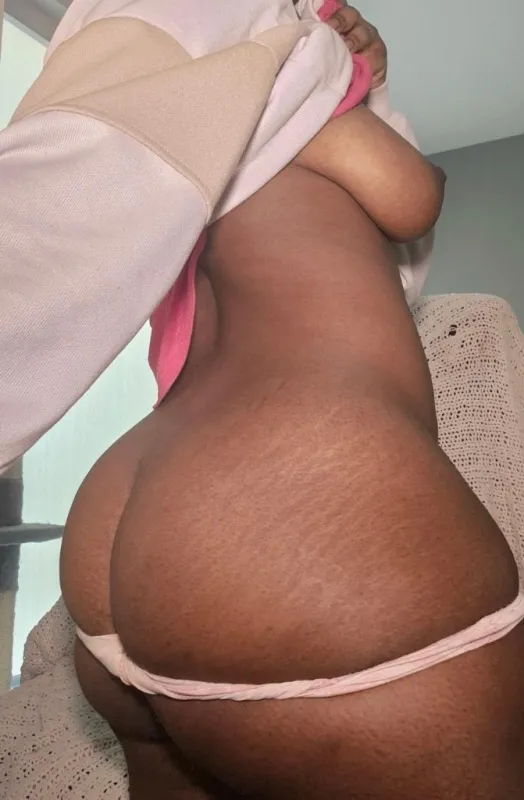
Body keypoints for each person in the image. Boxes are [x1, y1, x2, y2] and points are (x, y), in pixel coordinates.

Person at [60, 10, 524, 800]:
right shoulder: (279, 95)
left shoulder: (174, 162)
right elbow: (410, 196)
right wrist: (352, 92)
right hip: (284, 486)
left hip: (121, 507)